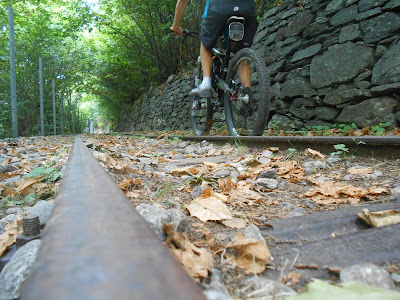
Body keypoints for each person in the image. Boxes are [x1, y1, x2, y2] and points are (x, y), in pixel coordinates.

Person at [170, 0, 258, 98]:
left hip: (220, 9)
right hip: (248, 9)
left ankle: (206, 83)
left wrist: (176, 26)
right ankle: (247, 96)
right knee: (242, 57)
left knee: (205, 44)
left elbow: (183, 1)